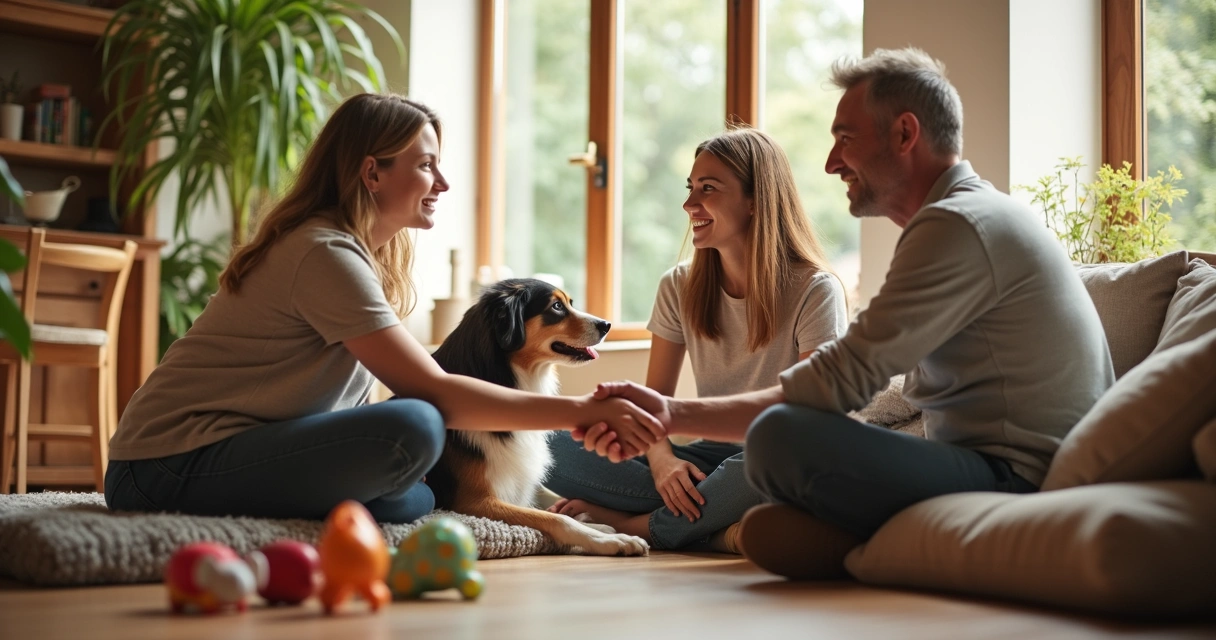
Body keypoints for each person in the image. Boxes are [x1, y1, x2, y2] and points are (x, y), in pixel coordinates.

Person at [584, 47, 1114, 577]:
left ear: (905, 135)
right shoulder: (962, 217)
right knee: (553, 447)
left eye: (846, 139)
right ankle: (725, 524)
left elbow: (836, 385)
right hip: (980, 464)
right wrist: (663, 446)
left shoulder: (958, 223)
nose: (831, 163)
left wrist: (670, 413)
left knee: (779, 437)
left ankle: (659, 527)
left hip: (1018, 480)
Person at [104, 93, 663, 524]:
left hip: (228, 454)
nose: (442, 182)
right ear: (372, 173)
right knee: (416, 425)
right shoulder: (321, 251)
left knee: (419, 490)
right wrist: (582, 411)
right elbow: (434, 391)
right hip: (163, 466)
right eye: (426, 166)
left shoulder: (353, 254)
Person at [544, 127, 848, 552]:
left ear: (756, 200)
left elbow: (808, 418)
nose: (690, 204)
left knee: (780, 455)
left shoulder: (816, 290)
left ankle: (637, 525)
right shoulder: (679, 286)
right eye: (690, 188)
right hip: (706, 460)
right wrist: (665, 461)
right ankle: (714, 523)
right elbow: (653, 404)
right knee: (545, 440)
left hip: (771, 458)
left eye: (708, 188)